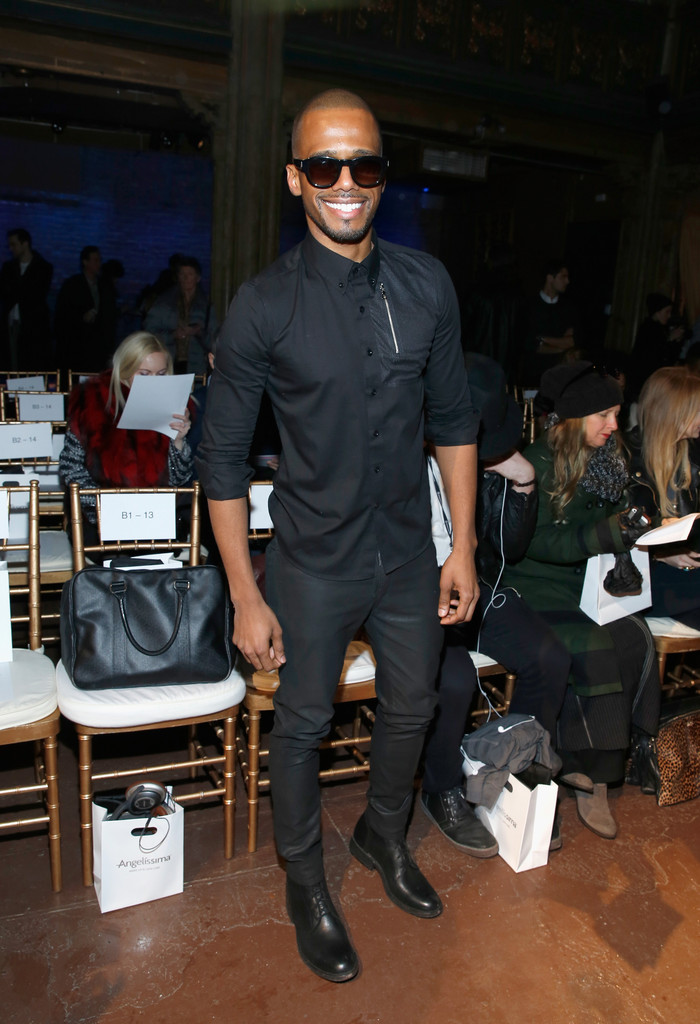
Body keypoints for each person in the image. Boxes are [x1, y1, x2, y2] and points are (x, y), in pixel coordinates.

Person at [196, 89, 479, 983]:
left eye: (364, 166)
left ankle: (381, 836)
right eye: (326, 166)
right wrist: (244, 592)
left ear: (383, 178)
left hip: (406, 554)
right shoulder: (261, 307)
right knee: (303, 726)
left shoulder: (426, 285)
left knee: (413, 706)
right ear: (296, 179)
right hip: (312, 561)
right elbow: (223, 460)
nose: (346, 183)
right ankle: (305, 882)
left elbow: (456, 421)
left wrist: (462, 545)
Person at [503, 361, 660, 840]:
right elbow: (532, 543)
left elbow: (619, 520)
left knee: (636, 640)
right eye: (605, 416)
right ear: (574, 417)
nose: (615, 426)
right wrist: (606, 532)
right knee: (590, 645)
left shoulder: (609, 458)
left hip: (590, 585)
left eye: (616, 414)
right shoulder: (538, 462)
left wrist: (645, 525)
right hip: (536, 586)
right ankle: (584, 773)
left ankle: (598, 770)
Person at [421, 353, 571, 855]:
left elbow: (511, 549)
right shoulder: (397, 461)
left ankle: (518, 773)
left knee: (550, 656)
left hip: (476, 587)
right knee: (457, 677)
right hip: (411, 597)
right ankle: (441, 788)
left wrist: (523, 480)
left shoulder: (486, 466)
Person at [59, 331, 193, 533]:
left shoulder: (169, 408)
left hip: (157, 519)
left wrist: (178, 442)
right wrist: (111, 511)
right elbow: (72, 470)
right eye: (145, 374)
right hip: (101, 521)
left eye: (161, 374)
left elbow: (179, 482)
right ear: (124, 371)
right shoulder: (93, 407)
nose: (154, 382)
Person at [627, 366, 700, 628]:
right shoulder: (624, 458)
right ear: (673, 413)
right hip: (645, 577)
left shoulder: (690, 453)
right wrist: (659, 554)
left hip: (685, 573)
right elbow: (611, 538)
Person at [144, 256, 217, 374]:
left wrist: (198, 332)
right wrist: (172, 335)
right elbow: (149, 332)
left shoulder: (206, 306)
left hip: (197, 366)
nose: (185, 278)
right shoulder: (164, 303)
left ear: (198, 278)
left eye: (190, 274)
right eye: (182, 274)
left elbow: (214, 340)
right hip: (169, 362)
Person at [0, 228, 53, 371]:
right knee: (12, 362)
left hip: (32, 324)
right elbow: (6, 292)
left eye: (14, 244)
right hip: (11, 322)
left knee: (31, 362)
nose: (11, 249)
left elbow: (35, 294)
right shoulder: (8, 267)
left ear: (25, 244)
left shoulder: (43, 268)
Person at [54, 245, 112, 375]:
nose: (99, 264)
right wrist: (80, 317)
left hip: (97, 346)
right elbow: (62, 315)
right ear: (85, 262)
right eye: (95, 260)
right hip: (76, 346)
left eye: (99, 260)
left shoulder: (104, 285)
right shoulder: (72, 285)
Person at [523, 258, 579, 385]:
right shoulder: (530, 306)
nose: (567, 281)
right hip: (534, 376)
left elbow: (571, 342)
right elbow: (531, 345)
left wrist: (543, 339)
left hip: (559, 377)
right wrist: (560, 347)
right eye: (563, 276)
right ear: (550, 278)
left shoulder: (569, 309)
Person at [629, 292, 685, 398]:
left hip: (657, 381)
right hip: (644, 382)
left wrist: (676, 342)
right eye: (667, 312)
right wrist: (670, 340)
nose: (669, 316)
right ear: (657, 312)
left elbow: (669, 358)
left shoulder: (662, 329)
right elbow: (652, 357)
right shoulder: (648, 329)